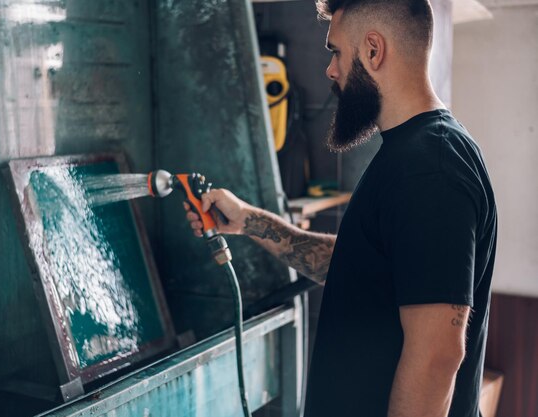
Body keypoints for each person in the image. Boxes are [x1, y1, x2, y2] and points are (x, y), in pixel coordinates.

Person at [184, 0, 497, 416]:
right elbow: (365, 267)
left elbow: (437, 357)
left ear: (373, 50)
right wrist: (250, 222)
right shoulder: (411, 153)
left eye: (335, 51)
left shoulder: (430, 169)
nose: (330, 70)